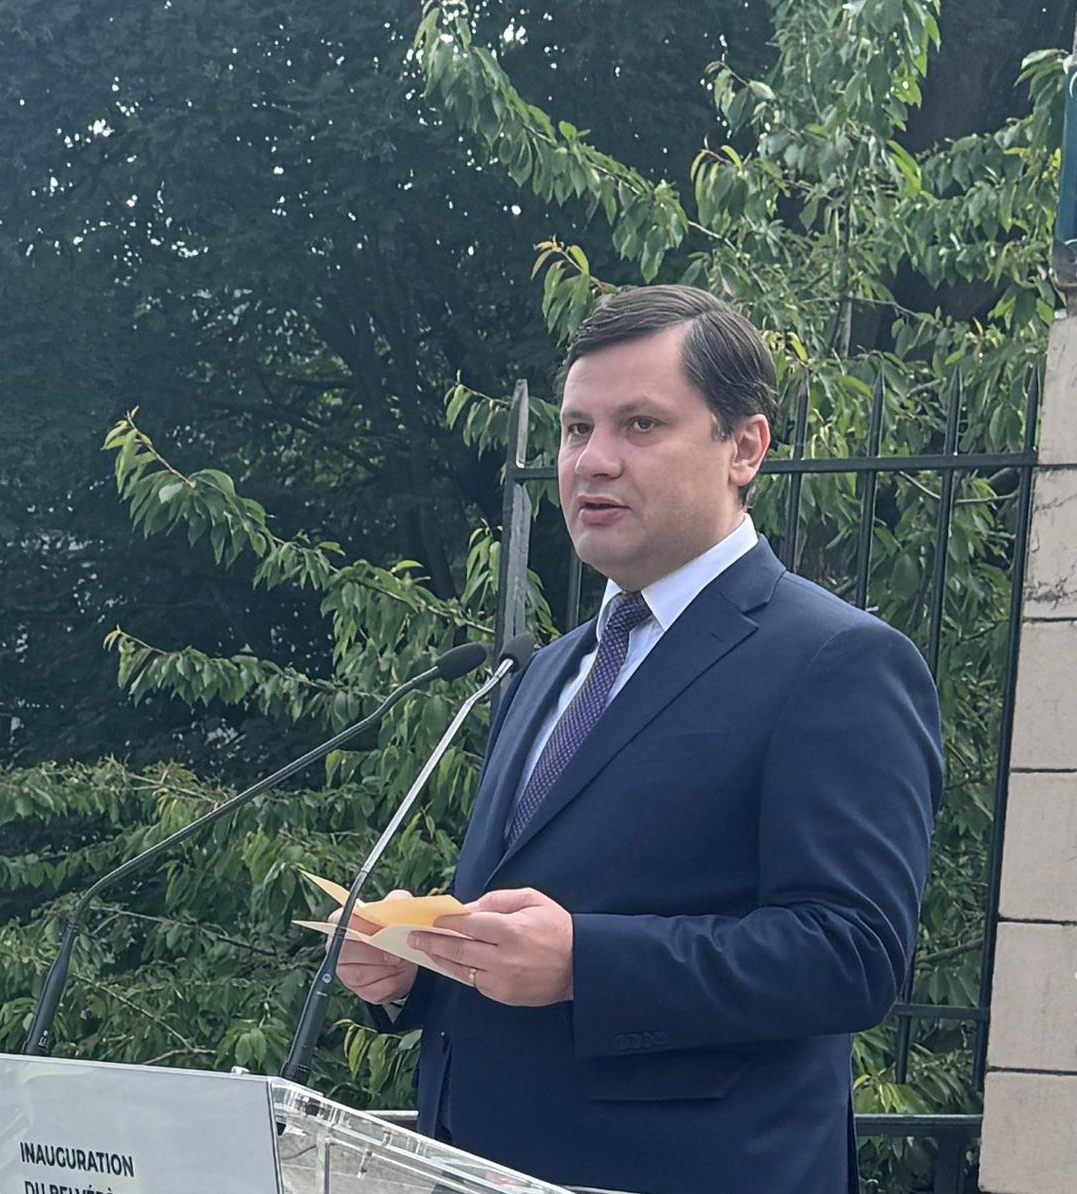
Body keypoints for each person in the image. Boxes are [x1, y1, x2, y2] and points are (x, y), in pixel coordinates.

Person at [336, 285, 941, 1194]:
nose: (593, 461)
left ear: (745, 448)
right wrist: (413, 969)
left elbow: (851, 953)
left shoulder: (837, 661)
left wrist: (588, 963)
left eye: (641, 425)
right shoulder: (550, 668)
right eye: (577, 429)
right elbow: (527, 920)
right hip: (475, 1164)